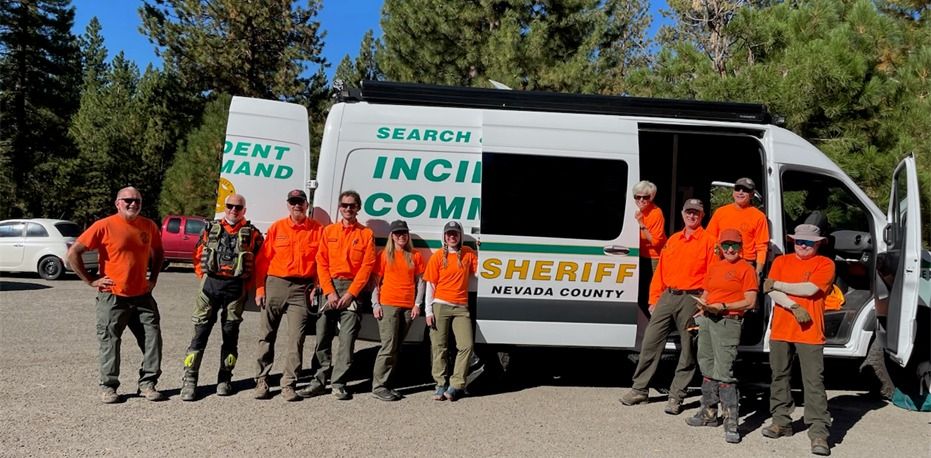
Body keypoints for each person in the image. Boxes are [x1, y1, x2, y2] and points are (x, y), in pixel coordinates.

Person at [66, 186, 165, 403]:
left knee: (152, 339)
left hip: (142, 296)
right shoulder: (104, 226)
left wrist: (153, 279)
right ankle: (108, 387)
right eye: (128, 200)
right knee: (110, 341)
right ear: (117, 203)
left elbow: (158, 252)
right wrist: (91, 280)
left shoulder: (148, 225)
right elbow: (73, 252)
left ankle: (148, 384)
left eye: (137, 201)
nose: (133, 204)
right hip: (112, 296)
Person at [620, 199, 716, 414]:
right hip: (667, 296)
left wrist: (705, 303)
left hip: (693, 300)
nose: (692, 216)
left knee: (688, 349)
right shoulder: (673, 240)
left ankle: (676, 396)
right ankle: (639, 390)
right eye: (689, 212)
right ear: (683, 214)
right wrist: (654, 300)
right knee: (650, 341)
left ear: (702, 216)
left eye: (696, 213)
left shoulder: (710, 241)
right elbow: (660, 272)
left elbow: (713, 275)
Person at [180, 193, 264, 401]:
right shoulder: (211, 228)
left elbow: (261, 262)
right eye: (230, 206)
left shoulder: (253, 234)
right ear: (224, 208)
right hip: (210, 287)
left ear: (244, 210)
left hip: (235, 291)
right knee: (199, 335)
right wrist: (203, 276)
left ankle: (225, 379)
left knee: (230, 337)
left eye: (238, 207)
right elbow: (197, 254)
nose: (233, 210)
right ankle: (189, 381)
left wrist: (251, 286)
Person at [761, 224, 835, 456]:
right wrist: (792, 305)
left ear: (818, 243)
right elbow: (769, 290)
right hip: (782, 329)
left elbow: (810, 289)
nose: (803, 245)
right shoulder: (781, 261)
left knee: (813, 381)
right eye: (799, 241)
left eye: (809, 242)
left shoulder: (825, 264)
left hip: (810, 331)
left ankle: (819, 432)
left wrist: (779, 285)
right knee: (779, 376)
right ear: (793, 241)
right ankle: (781, 422)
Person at [300, 190, 376, 400]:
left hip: (352, 290)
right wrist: (330, 292)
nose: (348, 208)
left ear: (358, 208)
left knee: (347, 339)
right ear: (339, 208)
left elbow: (367, 267)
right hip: (330, 288)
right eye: (344, 205)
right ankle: (318, 380)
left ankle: (339, 382)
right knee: (323, 336)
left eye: (352, 205)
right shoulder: (329, 231)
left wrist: (351, 294)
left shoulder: (365, 234)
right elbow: (321, 262)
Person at [687, 229, 758, 443]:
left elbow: (750, 301)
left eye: (734, 245)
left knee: (725, 371)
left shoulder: (746, 269)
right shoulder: (715, 266)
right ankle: (708, 414)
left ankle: (732, 423)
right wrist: (701, 307)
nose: (730, 249)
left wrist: (724, 306)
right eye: (726, 245)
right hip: (708, 319)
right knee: (707, 366)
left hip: (728, 321)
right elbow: (707, 292)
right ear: (719, 246)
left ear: (741, 247)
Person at [252, 189, 324, 401]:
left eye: (300, 202)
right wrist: (260, 289)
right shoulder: (278, 228)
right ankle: (262, 381)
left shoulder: (317, 230)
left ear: (306, 204)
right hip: (276, 284)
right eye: (293, 202)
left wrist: (316, 287)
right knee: (266, 335)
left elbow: (322, 261)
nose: (297, 206)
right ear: (288, 205)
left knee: (297, 338)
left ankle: (288, 384)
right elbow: (262, 261)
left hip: (302, 289)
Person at [370, 220, 426, 401]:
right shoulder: (384, 255)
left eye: (404, 233)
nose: (401, 236)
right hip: (388, 305)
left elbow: (421, 282)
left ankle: (387, 384)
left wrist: (418, 304)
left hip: (407, 307)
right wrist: (375, 304)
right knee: (388, 346)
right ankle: (378, 386)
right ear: (392, 236)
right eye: (397, 233)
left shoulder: (415, 255)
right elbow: (375, 282)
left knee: (396, 347)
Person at [424, 220, 478, 402]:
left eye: (455, 233)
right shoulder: (438, 256)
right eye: (449, 234)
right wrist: (428, 311)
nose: (452, 236)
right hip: (440, 305)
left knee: (467, 345)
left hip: (461, 307)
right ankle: (440, 384)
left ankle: (456, 384)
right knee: (439, 347)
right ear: (444, 237)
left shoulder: (468, 254)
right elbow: (430, 285)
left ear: (460, 236)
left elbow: (480, 273)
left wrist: (483, 250)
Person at [707, 177, 769, 274]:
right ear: (733, 192)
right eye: (738, 189)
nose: (740, 192)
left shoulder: (759, 217)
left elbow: (762, 247)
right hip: (722, 261)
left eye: (745, 190)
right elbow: (710, 239)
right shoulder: (720, 212)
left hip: (746, 264)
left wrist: (757, 273)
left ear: (752, 195)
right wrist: (716, 259)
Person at [632, 180, 667, 314]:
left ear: (651, 197)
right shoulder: (634, 209)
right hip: (638, 255)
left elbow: (656, 242)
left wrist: (641, 223)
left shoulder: (656, 213)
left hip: (654, 257)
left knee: (652, 292)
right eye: (638, 196)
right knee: (639, 291)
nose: (641, 200)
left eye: (645, 197)